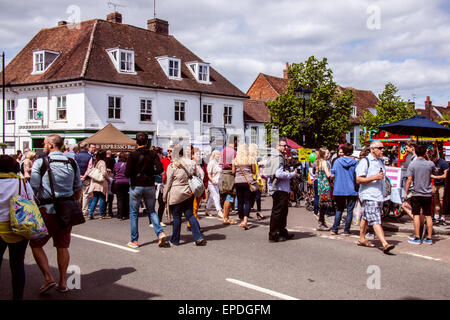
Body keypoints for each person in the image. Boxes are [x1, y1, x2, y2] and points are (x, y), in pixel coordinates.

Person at [30, 134, 82, 293]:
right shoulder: (72, 162)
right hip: (67, 210)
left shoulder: (41, 162)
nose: (43, 145)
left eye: (45, 143)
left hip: (47, 210)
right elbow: (78, 188)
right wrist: (72, 202)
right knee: (63, 246)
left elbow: (33, 188)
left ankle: (48, 277)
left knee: (36, 244)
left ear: (51, 145)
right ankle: (62, 282)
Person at [0, 155, 33, 300]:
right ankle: (17, 297)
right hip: (19, 228)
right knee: (18, 264)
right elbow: (31, 201)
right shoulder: (22, 183)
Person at [125, 132, 166, 249]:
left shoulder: (132, 155)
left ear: (136, 142)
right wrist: (150, 173)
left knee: (133, 213)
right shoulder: (153, 154)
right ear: (147, 142)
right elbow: (160, 169)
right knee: (152, 211)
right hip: (149, 185)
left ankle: (134, 240)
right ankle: (160, 233)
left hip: (136, 185)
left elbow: (127, 173)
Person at [355, 141, 395, 254]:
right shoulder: (365, 162)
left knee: (367, 217)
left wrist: (384, 190)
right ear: (373, 149)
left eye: (383, 148)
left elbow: (382, 178)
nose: (382, 150)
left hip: (378, 195)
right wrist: (374, 177)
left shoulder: (380, 162)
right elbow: (359, 179)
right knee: (376, 219)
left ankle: (362, 239)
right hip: (369, 195)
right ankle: (385, 243)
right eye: (380, 148)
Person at [163, 144, 206, 246]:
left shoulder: (172, 165)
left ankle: (175, 240)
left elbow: (168, 183)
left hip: (176, 194)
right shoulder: (191, 163)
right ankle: (198, 237)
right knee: (190, 215)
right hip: (188, 193)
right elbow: (198, 176)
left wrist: (164, 196)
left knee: (177, 217)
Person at [268, 139, 298, 242]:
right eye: (283, 146)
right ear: (277, 146)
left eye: (286, 146)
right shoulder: (278, 157)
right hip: (279, 189)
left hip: (279, 188)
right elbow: (278, 174)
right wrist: (291, 174)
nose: (285, 148)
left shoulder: (275, 156)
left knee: (282, 212)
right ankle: (273, 234)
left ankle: (282, 232)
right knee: (278, 212)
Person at [406, 145, 437, 245]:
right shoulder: (430, 164)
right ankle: (429, 238)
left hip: (416, 192)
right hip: (427, 193)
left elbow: (409, 179)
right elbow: (435, 171)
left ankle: (417, 237)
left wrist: (406, 192)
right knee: (428, 215)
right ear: (425, 153)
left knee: (416, 215)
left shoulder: (412, 164)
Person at [330, 143, 358, 236]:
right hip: (351, 189)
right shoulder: (355, 163)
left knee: (339, 209)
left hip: (339, 189)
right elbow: (357, 176)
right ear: (352, 151)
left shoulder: (337, 161)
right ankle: (346, 230)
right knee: (350, 210)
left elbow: (332, 175)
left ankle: (334, 229)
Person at [232, 143, 256, 230]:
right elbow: (253, 171)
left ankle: (241, 220)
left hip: (238, 181)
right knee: (247, 201)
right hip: (248, 181)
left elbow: (233, 172)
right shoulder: (250, 159)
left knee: (240, 201)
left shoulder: (235, 160)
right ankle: (245, 220)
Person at [87, 150, 110, 220]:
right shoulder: (102, 162)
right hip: (101, 183)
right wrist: (108, 178)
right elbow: (104, 172)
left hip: (94, 182)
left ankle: (90, 214)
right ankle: (101, 214)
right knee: (102, 198)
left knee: (94, 199)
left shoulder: (95, 161)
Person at [220, 135, 238, 222]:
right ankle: (225, 217)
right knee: (230, 196)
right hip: (230, 174)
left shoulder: (223, 150)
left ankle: (225, 216)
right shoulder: (234, 152)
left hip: (224, 173)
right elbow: (235, 165)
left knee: (225, 196)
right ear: (234, 141)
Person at [75, 143, 95, 216]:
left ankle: (78, 209)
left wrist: (78, 176)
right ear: (87, 148)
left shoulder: (76, 156)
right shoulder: (90, 156)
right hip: (86, 178)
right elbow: (89, 168)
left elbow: (75, 167)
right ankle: (84, 210)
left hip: (77, 177)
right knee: (85, 194)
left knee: (78, 194)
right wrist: (84, 176)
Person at [315, 148, 332, 231]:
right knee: (324, 205)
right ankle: (321, 223)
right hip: (325, 185)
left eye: (328, 153)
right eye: (326, 153)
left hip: (320, 185)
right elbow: (328, 174)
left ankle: (321, 222)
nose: (328, 155)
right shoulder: (324, 162)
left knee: (322, 204)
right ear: (323, 154)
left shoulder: (319, 162)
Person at [431, 150, 449, 225]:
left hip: (442, 184)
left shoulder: (443, 163)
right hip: (435, 184)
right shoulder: (432, 163)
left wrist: (435, 177)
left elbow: (445, 175)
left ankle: (443, 217)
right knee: (436, 201)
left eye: (433, 159)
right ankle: (437, 216)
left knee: (442, 201)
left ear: (436, 157)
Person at [206, 150, 225, 220]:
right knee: (216, 196)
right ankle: (219, 211)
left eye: (219, 154)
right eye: (217, 154)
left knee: (212, 197)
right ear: (213, 155)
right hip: (212, 183)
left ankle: (207, 209)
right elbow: (208, 173)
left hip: (218, 182)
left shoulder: (218, 163)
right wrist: (212, 180)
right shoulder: (211, 162)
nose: (219, 156)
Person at [249, 143, 264, 219]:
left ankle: (250, 211)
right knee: (257, 196)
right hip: (254, 179)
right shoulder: (252, 158)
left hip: (254, 179)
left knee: (254, 196)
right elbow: (253, 170)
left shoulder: (251, 158)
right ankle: (258, 211)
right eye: (257, 149)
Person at [113, 152, 130, 220]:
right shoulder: (127, 164)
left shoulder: (116, 164)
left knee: (119, 199)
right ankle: (126, 214)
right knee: (126, 198)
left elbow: (114, 172)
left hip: (118, 182)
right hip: (126, 182)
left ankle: (120, 214)